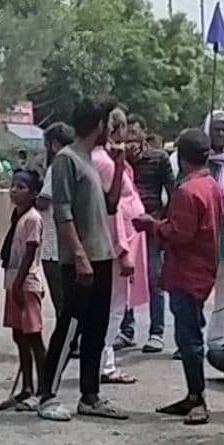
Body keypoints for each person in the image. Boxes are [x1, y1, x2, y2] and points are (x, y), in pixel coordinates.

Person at [36, 98, 126, 421]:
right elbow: (62, 212)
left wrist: (119, 167)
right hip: (81, 260)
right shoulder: (67, 160)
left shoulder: (89, 160)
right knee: (69, 327)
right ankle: (47, 395)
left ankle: (90, 395)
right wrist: (78, 255)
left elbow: (111, 204)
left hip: (102, 257)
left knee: (96, 329)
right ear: (99, 124)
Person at [133, 129, 224, 425]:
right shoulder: (212, 186)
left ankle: (197, 397)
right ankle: (192, 394)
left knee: (189, 338)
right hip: (203, 269)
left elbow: (180, 234)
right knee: (190, 332)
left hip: (186, 271)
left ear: (181, 159)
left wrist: (153, 225)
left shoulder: (187, 191)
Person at [91, 107, 147, 386]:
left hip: (127, 236)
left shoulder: (113, 160)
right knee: (113, 305)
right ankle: (103, 363)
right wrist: (123, 250)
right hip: (118, 241)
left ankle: (106, 360)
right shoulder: (103, 162)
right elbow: (109, 209)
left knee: (117, 304)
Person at [117, 115, 172, 353]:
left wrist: (161, 221)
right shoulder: (118, 160)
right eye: (126, 135)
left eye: (134, 135)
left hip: (150, 225)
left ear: (143, 134)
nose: (130, 141)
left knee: (154, 277)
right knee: (125, 277)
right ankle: (126, 329)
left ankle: (156, 331)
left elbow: (171, 191)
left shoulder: (159, 158)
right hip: (125, 226)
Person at [0, 170, 47, 413]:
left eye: (21, 187)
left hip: (26, 283)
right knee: (19, 335)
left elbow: (30, 251)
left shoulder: (32, 218)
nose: (14, 190)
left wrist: (18, 283)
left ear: (33, 194)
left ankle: (43, 389)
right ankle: (26, 385)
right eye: (13, 186)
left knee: (33, 336)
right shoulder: (17, 216)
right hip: (13, 281)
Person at [37, 122, 76, 319]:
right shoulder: (77, 162)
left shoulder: (57, 166)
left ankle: (67, 343)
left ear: (53, 144)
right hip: (70, 241)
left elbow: (44, 200)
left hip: (53, 244)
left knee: (61, 299)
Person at [203, 110, 224, 351]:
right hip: (200, 232)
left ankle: (217, 338)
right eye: (217, 129)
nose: (221, 134)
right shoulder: (195, 157)